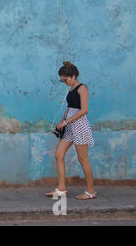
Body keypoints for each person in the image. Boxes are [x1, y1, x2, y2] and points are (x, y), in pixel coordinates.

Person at [46, 61, 96, 200]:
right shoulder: (71, 88)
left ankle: (91, 191)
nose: (65, 83)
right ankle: (61, 188)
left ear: (74, 76)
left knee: (83, 159)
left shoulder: (82, 88)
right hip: (69, 125)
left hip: (79, 125)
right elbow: (69, 108)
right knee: (58, 154)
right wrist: (63, 121)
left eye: (66, 80)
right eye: (62, 81)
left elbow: (84, 110)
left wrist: (67, 121)